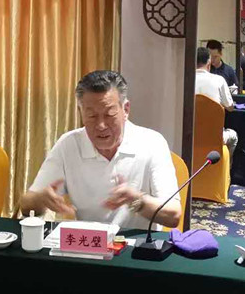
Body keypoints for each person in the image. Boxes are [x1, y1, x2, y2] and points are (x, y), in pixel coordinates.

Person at [21, 70, 180, 230]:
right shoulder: (68, 144)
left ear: (125, 109)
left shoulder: (152, 142)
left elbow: (173, 215)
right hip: (88, 241)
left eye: (109, 114)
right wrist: (40, 199)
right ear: (81, 113)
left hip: (137, 242)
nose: (101, 126)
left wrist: (136, 201)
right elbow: (26, 206)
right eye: (91, 116)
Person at [194, 47, 238, 157]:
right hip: (214, 136)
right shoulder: (219, 80)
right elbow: (230, 107)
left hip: (189, 134)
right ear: (209, 62)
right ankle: (225, 166)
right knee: (233, 136)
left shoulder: (184, 78)